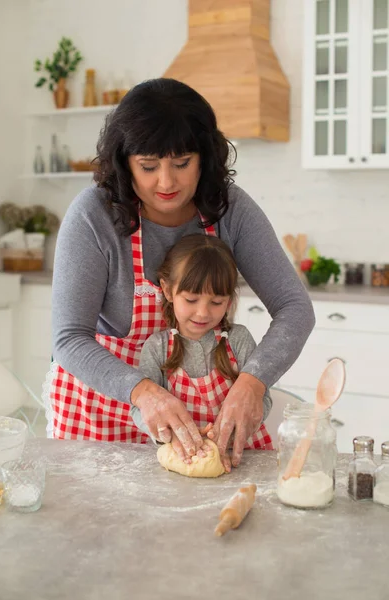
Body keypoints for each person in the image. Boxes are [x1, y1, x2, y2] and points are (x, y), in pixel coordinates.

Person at [48, 77, 315, 471]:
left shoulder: (229, 210)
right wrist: (143, 391)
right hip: (99, 414)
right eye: (149, 166)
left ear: (205, 157)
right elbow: (68, 338)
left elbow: (295, 308)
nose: (167, 182)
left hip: (197, 427)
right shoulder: (93, 215)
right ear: (124, 163)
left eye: (181, 163)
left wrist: (252, 383)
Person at [130, 233, 274, 468]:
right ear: (167, 291)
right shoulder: (157, 348)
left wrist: (233, 430)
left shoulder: (238, 340)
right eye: (191, 300)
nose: (203, 313)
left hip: (244, 459)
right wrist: (168, 433)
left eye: (216, 302)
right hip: (183, 457)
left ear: (229, 300)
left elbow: (262, 399)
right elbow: (140, 410)